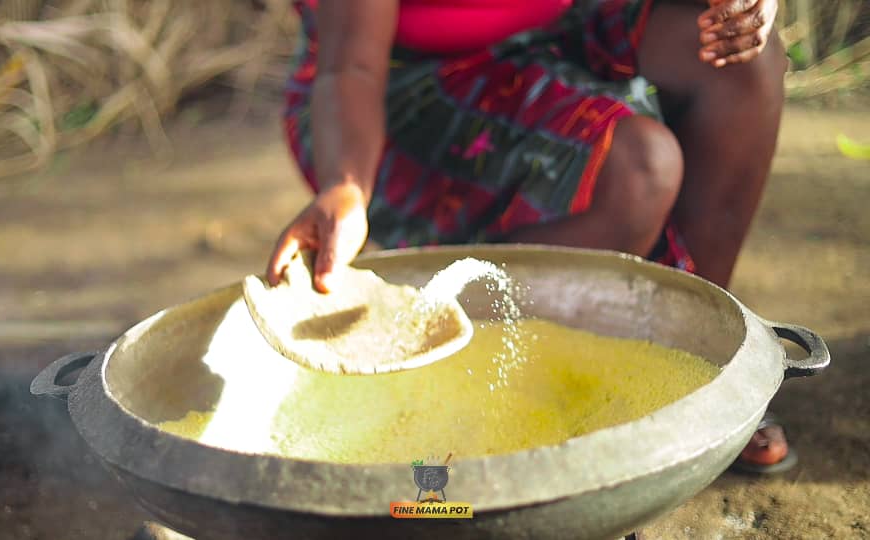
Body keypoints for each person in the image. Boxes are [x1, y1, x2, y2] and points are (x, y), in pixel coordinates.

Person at [267, 0, 793, 473]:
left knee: (745, 57)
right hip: (400, 81)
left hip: (561, 23)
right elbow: (350, 67)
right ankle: (490, 384)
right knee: (637, 172)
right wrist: (346, 187)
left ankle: (701, 365)